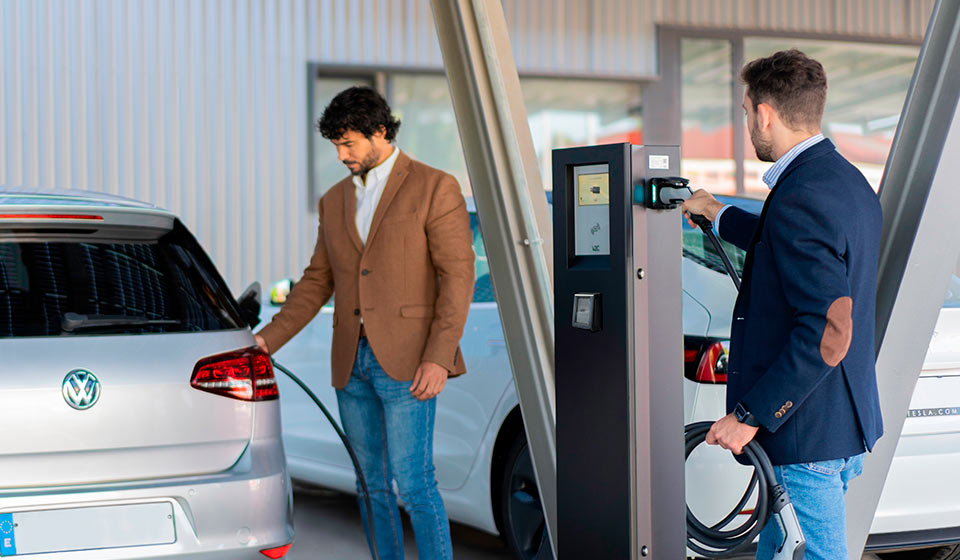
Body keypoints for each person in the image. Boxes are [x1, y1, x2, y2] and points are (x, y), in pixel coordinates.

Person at [255, 86, 475, 560]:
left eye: (349, 143)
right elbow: (317, 281)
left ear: (380, 132)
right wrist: (264, 342)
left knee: (414, 484)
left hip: (409, 362)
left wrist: (438, 357)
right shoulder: (334, 200)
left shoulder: (435, 186)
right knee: (369, 483)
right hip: (350, 362)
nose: (341, 155)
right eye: (335, 145)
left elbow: (458, 276)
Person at [682, 49, 883, 560]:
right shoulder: (843, 180)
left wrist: (750, 414)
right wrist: (719, 214)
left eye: (747, 112)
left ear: (765, 112)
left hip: (803, 437)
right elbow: (788, 245)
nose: (748, 124)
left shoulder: (800, 196)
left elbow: (827, 330)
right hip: (835, 423)